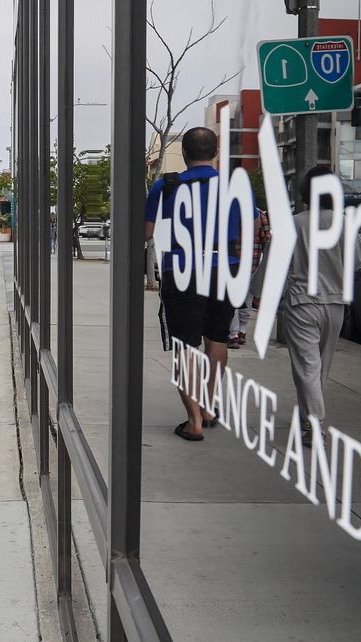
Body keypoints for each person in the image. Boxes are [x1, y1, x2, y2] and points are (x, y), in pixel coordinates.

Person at [144, 126, 242, 442]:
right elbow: (251, 226)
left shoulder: (166, 186)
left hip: (183, 271)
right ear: (215, 152)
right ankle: (210, 406)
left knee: (186, 347)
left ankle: (194, 421)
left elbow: (145, 232)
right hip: (223, 269)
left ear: (184, 153)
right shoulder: (232, 186)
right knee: (218, 340)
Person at [285, 166, 361, 434]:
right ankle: (309, 419)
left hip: (302, 302)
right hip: (335, 303)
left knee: (306, 366)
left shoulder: (296, 223)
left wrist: (256, 292)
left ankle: (314, 422)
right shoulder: (344, 222)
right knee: (321, 365)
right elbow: (358, 258)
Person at [227, 207, 272, 349]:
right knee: (247, 298)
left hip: (231, 263)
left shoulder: (228, 209)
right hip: (252, 264)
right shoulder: (258, 214)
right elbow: (267, 241)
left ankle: (233, 335)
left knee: (232, 300)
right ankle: (242, 330)